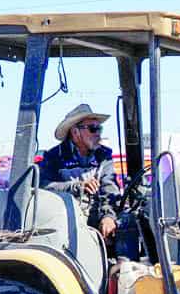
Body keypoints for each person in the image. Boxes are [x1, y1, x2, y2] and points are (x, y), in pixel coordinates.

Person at [37, 103, 125, 246]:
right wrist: (77, 187)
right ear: (75, 132)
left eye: (99, 128)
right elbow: (44, 187)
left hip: (96, 215)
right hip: (65, 219)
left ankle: (122, 266)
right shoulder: (54, 157)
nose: (98, 133)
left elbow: (109, 189)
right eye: (93, 129)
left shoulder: (104, 155)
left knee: (128, 221)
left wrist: (108, 216)